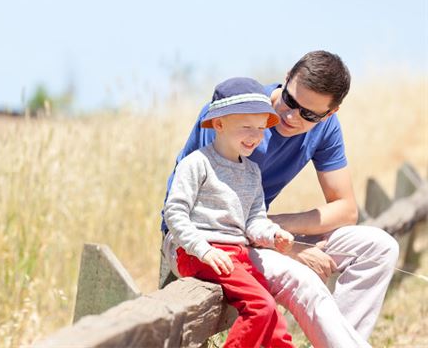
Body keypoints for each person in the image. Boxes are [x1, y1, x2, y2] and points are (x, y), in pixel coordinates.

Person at [160, 51, 399, 348]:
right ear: (286, 78)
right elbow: (214, 215)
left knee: (379, 247)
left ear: (330, 113)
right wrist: (290, 251)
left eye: (309, 114)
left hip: (259, 231)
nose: (291, 116)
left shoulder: (325, 129)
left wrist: (282, 237)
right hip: (210, 239)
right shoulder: (237, 112)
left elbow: (346, 209)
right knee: (304, 280)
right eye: (290, 100)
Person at [164, 77, 296, 348]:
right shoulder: (197, 164)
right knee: (260, 307)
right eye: (246, 126)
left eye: (260, 128)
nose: (255, 135)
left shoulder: (251, 172)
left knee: (274, 317)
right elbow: (175, 212)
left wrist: (273, 235)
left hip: (237, 255)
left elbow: (254, 220)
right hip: (199, 253)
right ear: (219, 124)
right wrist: (204, 250)